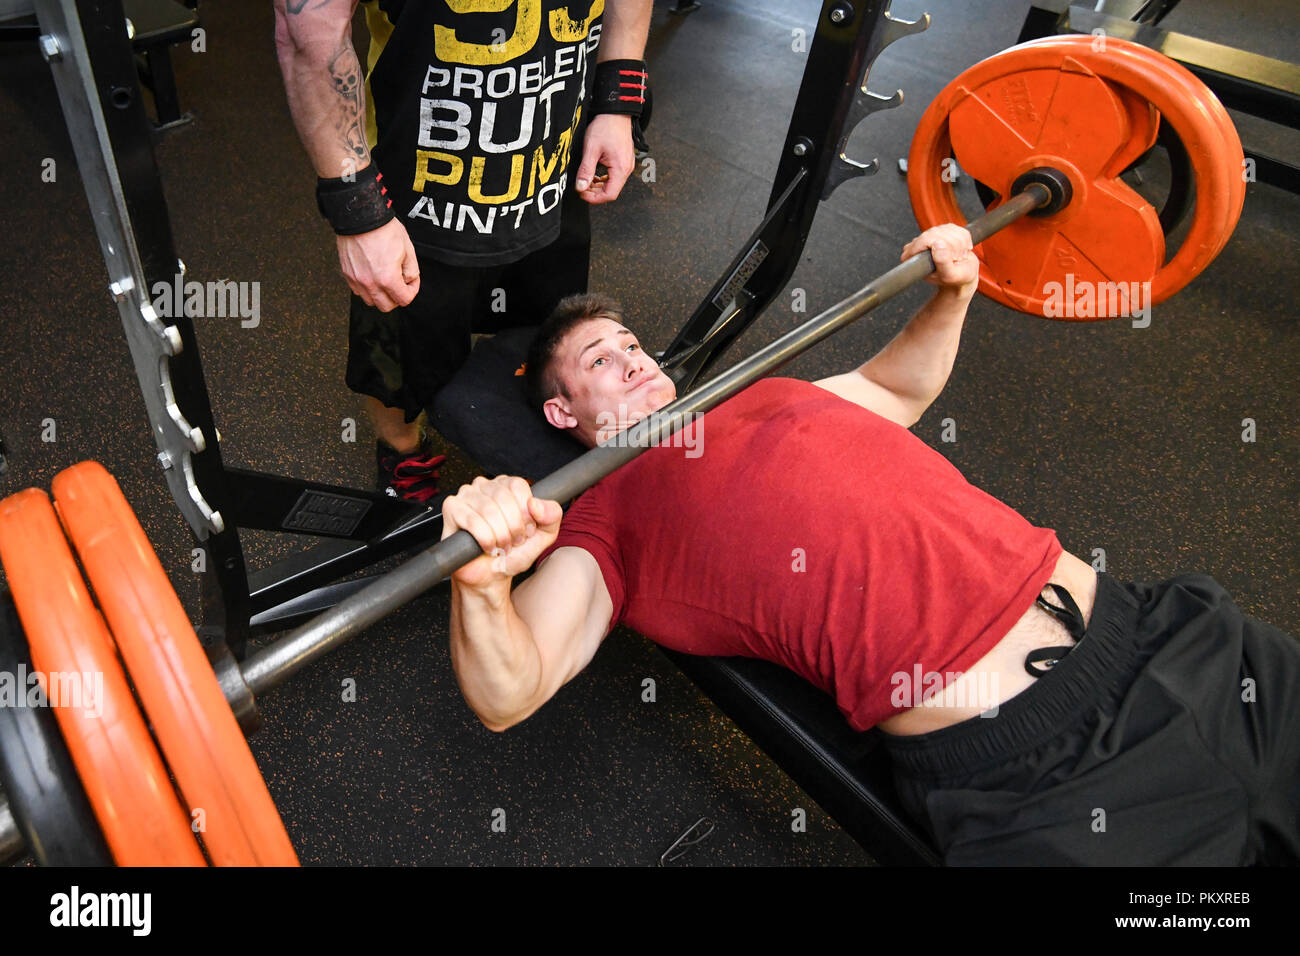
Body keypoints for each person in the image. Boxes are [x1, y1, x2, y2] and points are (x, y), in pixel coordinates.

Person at [438, 223, 1300, 865]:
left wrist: (950, 295)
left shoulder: (763, 392)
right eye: (599, 360)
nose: (633, 358)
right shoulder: (602, 524)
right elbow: (511, 690)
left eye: (632, 343)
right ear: (562, 416)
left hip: (1168, 637)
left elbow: (897, 385)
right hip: (1038, 779)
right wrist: (481, 584)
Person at [274, 0, 652, 500]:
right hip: (413, 184)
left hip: (552, 153)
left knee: (550, 340)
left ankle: (540, 469)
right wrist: (358, 210)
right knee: (399, 355)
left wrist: (616, 102)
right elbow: (308, 29)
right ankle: (406, 457)